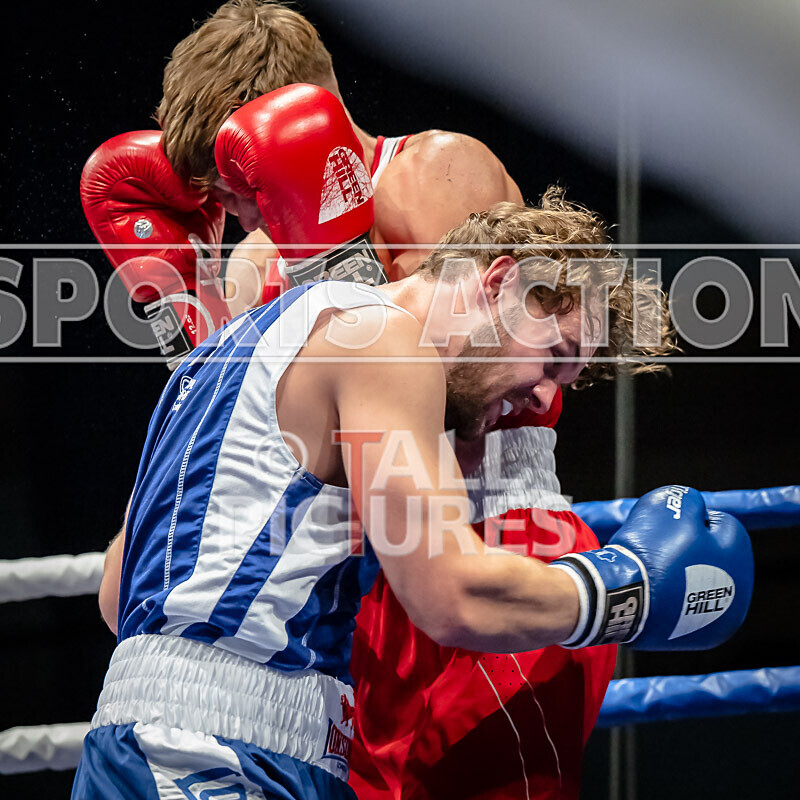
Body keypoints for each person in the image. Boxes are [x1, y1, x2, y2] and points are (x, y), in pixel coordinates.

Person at [76, 3, 722, 798]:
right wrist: (193, 323)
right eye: (217, 191)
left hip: (482, 536)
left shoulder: (437, 171)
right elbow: (225, 474)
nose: (239, 207)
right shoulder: (253, 261)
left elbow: (466, 375)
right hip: (336, 599)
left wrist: (338, 276)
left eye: (239, 178)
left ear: (295, 126)